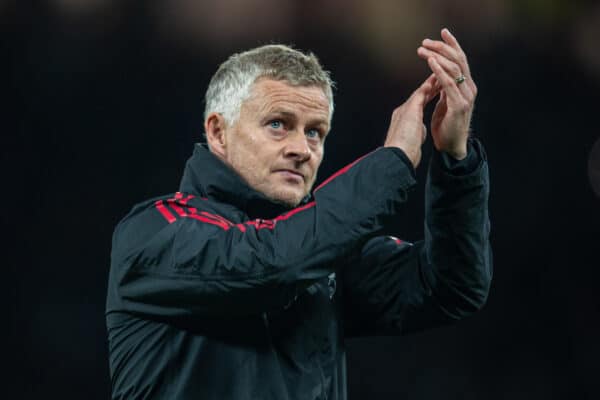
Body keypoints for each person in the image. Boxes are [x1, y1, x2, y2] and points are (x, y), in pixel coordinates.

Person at [106, 28, 492, 400]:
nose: (302, 149)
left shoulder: (321, 258)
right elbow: (270, 264)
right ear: (218, 132)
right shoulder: (154, 232)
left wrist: (456, 161)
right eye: (278, 124)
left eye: (315, 132)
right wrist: (394, 161)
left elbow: (450, 286)